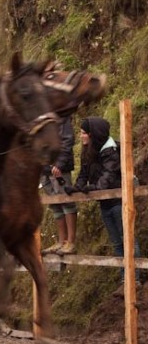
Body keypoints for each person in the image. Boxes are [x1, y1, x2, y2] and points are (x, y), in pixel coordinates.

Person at [65, 117, 141, 283]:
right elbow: (83, 174)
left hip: (119, 203)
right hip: (105, 204)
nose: (81, 136)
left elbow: (107, 177)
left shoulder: (111, 151)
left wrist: (92, 188)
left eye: (84, 133)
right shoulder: (88, 151)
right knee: (117, 243)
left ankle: (134, 280)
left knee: (128, 240)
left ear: (93, 134)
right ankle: (124, 279)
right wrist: (76, 187)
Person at [41, 115, 78, 254]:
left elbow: (68, 140)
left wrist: (60, 164)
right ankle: (61, 241)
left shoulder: (62, 117)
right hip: (44, 168)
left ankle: (71, 242)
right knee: (54, 204)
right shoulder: (38, 117)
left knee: (66, 201)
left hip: (59, 167)